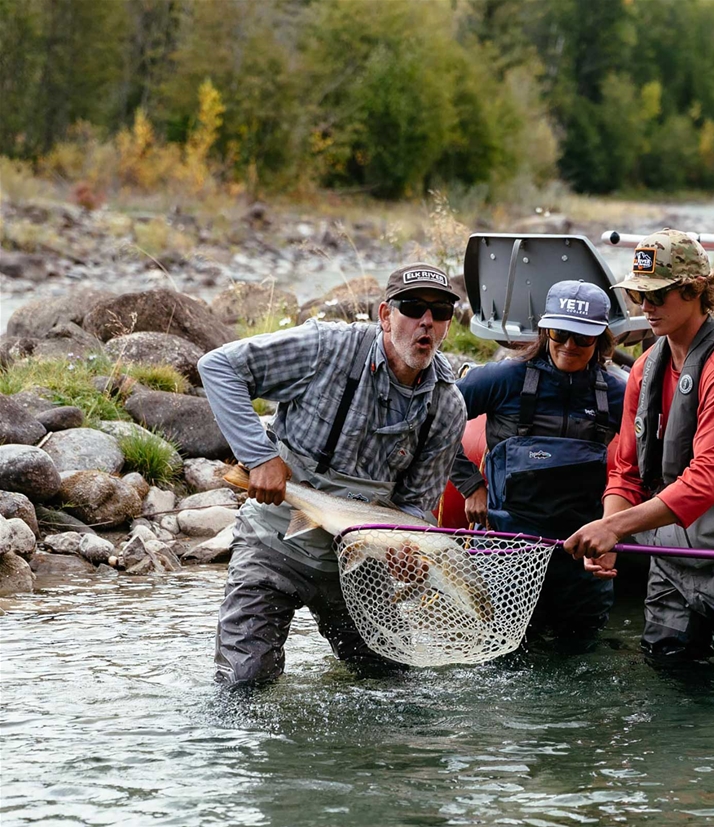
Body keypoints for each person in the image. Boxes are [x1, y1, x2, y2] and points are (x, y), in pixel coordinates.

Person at [198, 263, 468, 686]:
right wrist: (259, 457)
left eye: (441, 312)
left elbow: (416, 506)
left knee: (394, 687)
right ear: (385, 314)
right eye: (413, 307)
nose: (427, 321)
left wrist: (408, 556)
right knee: (243, 684)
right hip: (275, 542)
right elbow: (218, 367)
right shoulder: (326, 348)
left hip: (359, 567)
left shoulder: (448, 407)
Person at [564, 229, 714, 668]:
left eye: (656, 296)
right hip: (670, 560)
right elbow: (626, 470)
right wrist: (609, 530)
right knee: (669, 672)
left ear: (694, 291)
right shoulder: (644, 369)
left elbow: (704, 484)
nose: (644, 307)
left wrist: (615, 529)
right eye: (638, 295)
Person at [450, 280, 626, 644]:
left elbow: (642, 463)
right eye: (560, 334)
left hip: (581, 560)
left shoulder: (618, 391)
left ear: (601, 339)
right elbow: (432, 420)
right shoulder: (502, 378)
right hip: (506, 553)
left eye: (583, 338)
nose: (569, 346)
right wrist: (470, 485)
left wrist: (618, 531)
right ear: (545, 330)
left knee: (581, 659)